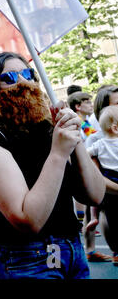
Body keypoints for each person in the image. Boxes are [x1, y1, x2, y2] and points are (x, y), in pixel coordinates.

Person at [0, 52, 105, 279]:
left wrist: (74, 137)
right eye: (10, 78)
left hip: (72, 250)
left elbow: (95, 195)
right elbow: (28, 221)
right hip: (27, 258)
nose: (22, 82)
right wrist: (59, 154)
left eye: (28, 74)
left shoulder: (48, 130)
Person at [67, 91, 111, 262]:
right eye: (87, 102)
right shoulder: (79, 124)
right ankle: (90, 247)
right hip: (83, 169)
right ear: (78, 106)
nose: (90, 105)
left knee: (91, 212)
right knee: (90, 208)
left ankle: (90, 248)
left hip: (87, 168)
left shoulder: (85, 123)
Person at [86, 105, 118, 266]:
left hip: (108, 181)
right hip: (113, 181)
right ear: (115, 128)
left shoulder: (100, 144)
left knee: (111, 218)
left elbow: (86, 154)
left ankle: (94, 217)